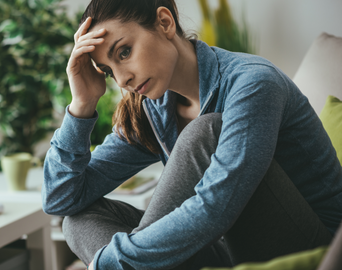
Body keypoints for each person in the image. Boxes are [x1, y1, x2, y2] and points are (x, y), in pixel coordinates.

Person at [42, 0, 342, 269]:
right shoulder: (152, 109)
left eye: (124, 52)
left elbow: (215, 208)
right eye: (108, 71)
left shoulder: (253, 83)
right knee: (78, 220)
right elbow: (61, 199)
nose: (122, 79)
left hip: (310, 246)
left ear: (165, 23)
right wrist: (81, 105)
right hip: (224, 247)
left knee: (206, 130)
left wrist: (111, 261)